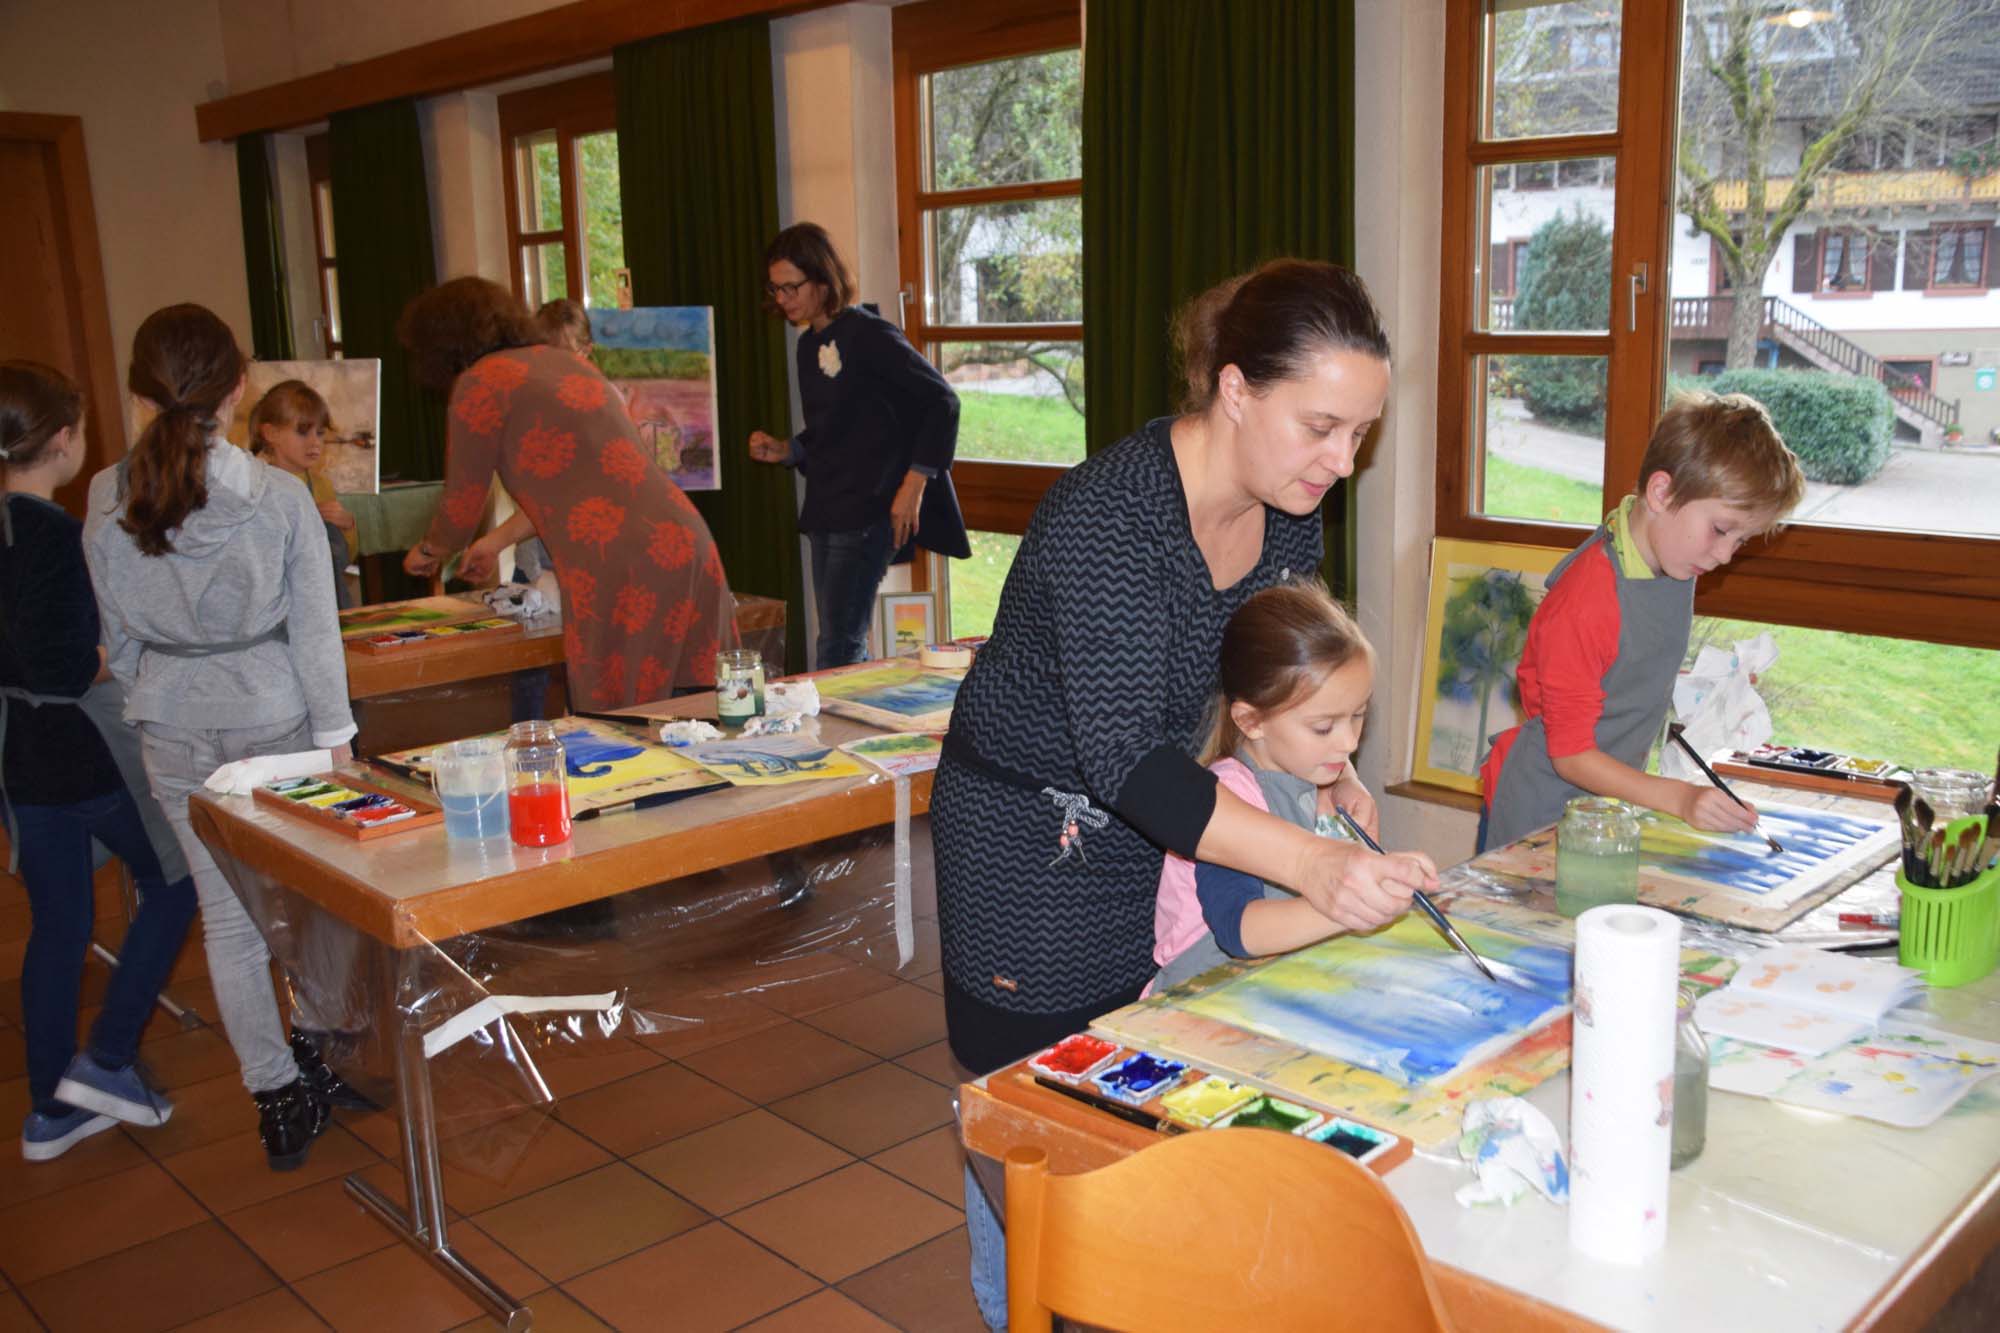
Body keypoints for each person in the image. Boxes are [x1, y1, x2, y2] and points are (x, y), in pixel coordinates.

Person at [930, 259, 1437, 1331]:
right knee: (1036, 1113)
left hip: (1165, 829)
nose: (1341, 461)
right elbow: (1125, 761)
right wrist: (1313, 862)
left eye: (1360, 433)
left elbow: (1272, 684)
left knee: (1137, 1098)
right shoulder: (1108, 517)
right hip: (1031, 844)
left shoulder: (1285, 514)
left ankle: (1096, 1290)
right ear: (1235, 389)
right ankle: (1027, 1303)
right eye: (1320, 427)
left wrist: (1332, 770)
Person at [83, 305, 368, 1171]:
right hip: (274, 714)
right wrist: (339, 743)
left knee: (229, 919)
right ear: (239, 389)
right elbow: (315, 633)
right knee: (312, 897)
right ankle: (322, 1047)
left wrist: (160, 683)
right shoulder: (279, 498)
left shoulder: (106, 493)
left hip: (171, 718)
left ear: (139, 395)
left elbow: (117, 636)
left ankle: (276, 1095)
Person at [1, 361, 198, 1161]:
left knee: (58, 926)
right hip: (83, 752)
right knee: (176, 879)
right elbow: (64, 664)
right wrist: (116, 656)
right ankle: (108, 1057)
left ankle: (50, 1107)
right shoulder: (58, 535)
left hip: (20, 757)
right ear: (64, 440)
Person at [1477, 390, 1807, 852]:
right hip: (1541, 812)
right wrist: (1681, 799)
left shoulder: (1674, 561)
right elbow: (1571, 754)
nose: (1725, 555)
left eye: (1741, 541)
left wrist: (1701, 688)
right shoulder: (1585, 600)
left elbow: (1617, 665)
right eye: (1720, 530)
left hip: (1607, 806)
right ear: (1661, 493)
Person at [400, 278, 737, 706]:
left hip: (617, 560)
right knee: (702, 711)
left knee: (623, 723)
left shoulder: (480, 383)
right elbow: (579, 490)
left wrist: (431, 550)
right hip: (687, 540)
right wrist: (495, 542)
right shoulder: (568, 364)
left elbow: (461, 503)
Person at [748, 222, 968, 669]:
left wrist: (914, 485)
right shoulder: (808, 346)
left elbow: (942, 402)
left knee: (838, 645)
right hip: (828, 507)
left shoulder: (870, 335)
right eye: (776, 289)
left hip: (870, 509)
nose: (783, 299)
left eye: (791, 287)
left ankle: (835, 715)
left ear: (823, 279)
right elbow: (834, 431)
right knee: (840, 640)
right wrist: (788, 450)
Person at [1152, 580, 1376, 991]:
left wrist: (1347, 783)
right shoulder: (1230, 797)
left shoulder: (1313, 770)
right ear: (1251, 721)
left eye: (1358, 715)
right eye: (1324, 726)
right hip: (1202, 996)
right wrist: (1351, 904)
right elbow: (1239, 931)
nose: (1348, 742)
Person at [247, 380, 356, 609]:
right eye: (303, 432)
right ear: (271, 433)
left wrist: (347, 526)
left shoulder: (321, 485)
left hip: (325, 603)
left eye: (320, 433)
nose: (315, 442)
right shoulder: (256, 487)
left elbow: (344, 560)